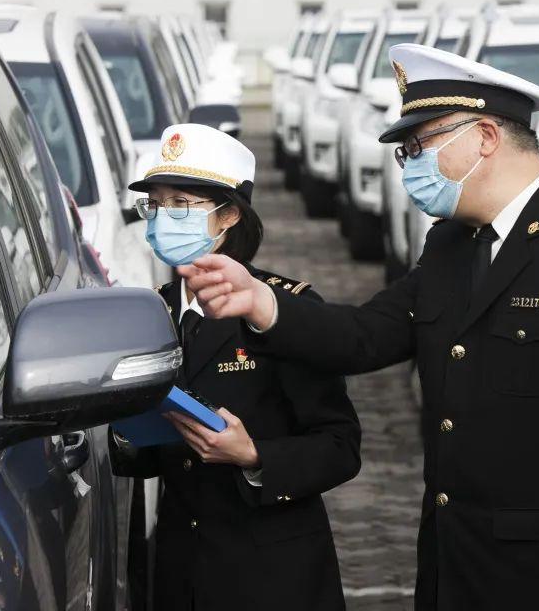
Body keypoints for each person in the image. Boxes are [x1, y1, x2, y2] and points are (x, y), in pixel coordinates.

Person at [181, 45, 539, 610]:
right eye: (404, 152)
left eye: (421, 146)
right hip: (453, 568)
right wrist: (263, 303)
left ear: (485, 136)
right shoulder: (453, 242)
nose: (411, 165)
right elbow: (367, 334)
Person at [110, 123, 361, 611]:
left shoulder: (283, 311)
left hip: (270, 576)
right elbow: (144, 458)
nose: (163, 218)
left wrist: (254, 456)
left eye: (180, 204)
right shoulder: (148, 314)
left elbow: (340, 446)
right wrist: (122, 433)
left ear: (226, 217)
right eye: (154, 205)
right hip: (180, 572)